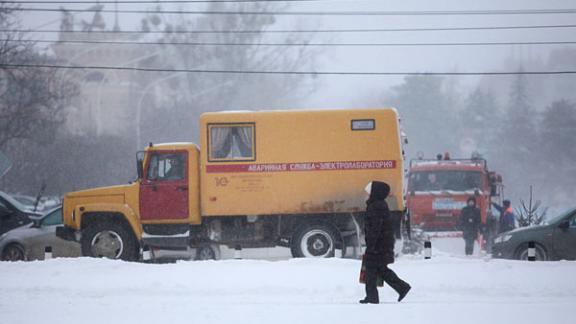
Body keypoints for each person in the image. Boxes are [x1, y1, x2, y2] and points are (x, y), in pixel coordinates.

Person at [360, 181, 411, 304]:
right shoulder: (378, 205)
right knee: (380, 269)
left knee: (371, 269)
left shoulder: (376, 206)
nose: (366, 195)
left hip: (378, 245)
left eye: (368, 192)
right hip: (382, 244)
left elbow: (375, 228)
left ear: (374, 193)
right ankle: (401, 287)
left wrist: (371, 245)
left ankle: (373, 297)